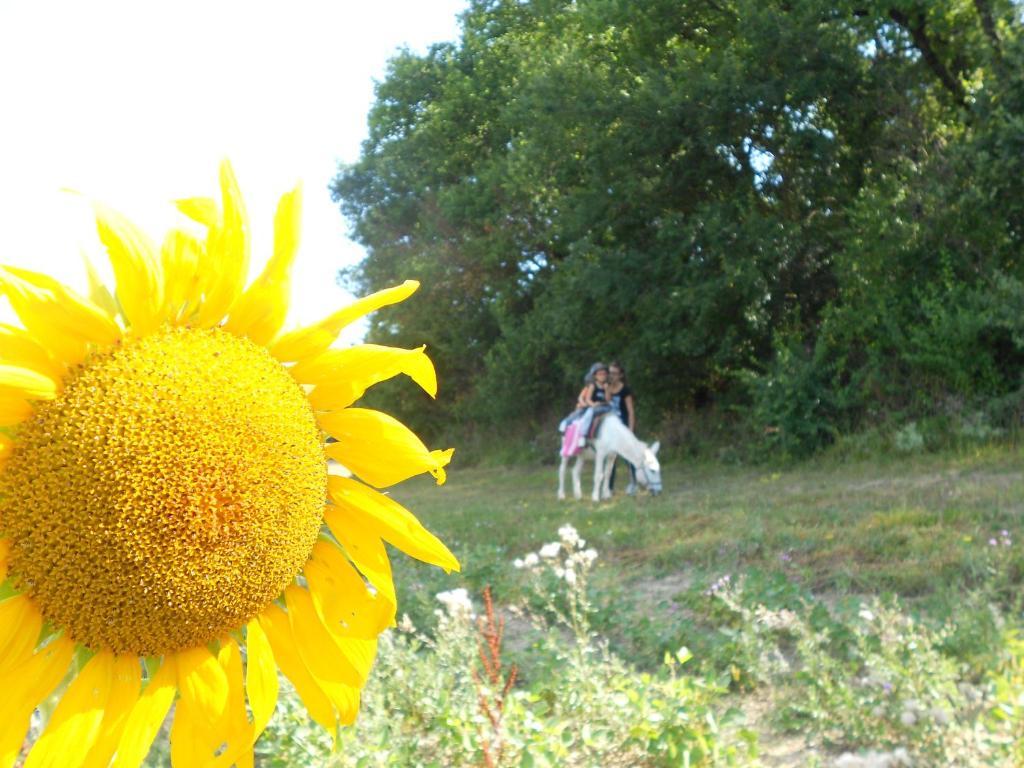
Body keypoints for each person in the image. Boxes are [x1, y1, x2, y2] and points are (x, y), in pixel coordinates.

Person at [559, 362, 612, 446]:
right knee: (587, 412)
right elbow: (588, 399)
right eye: (600, 374)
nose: (602, 376)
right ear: (595, 376)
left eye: (604, 374)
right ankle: (582, 434)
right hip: (594, 406)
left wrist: (607, 390)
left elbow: (608, 400)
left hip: (604, 406)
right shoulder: (592, 386)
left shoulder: (607, 386)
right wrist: (593, 404)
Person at [606, 361, 637, 492]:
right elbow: (606, 405)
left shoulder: (625, 390)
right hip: (610, 427)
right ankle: (609, 487)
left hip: (623, 426)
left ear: (620, 375)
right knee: (610, 458)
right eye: (610, 373)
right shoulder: (606, 387)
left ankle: (634, 483)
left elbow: (630, 412)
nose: (611, 376)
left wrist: (630, 430)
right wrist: (607, 388)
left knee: (628, 456)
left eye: (614, 373)